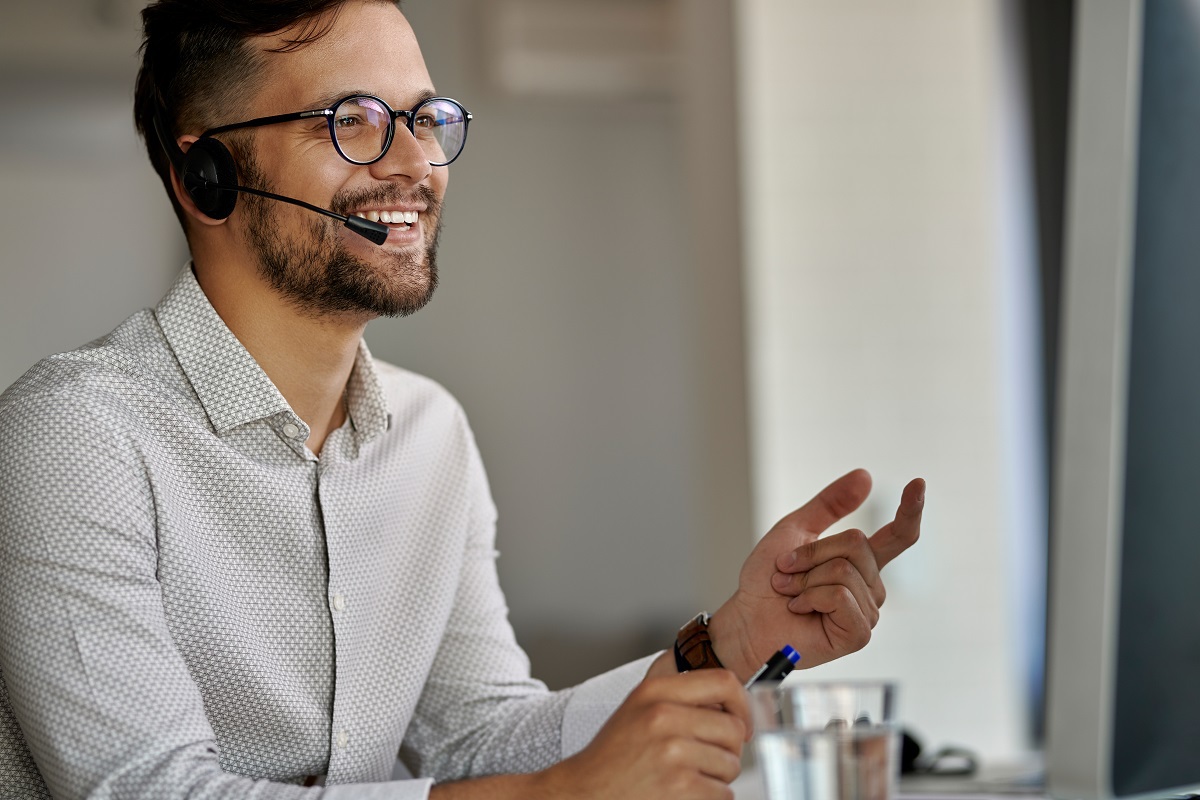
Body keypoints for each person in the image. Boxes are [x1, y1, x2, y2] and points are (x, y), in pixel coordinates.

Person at [0, 1, 925, 797]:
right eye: (354, 120)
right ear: (206, 176)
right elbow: (151, 792)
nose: (415, 163)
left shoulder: (430, 434)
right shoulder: (73, 437)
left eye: (425, 118)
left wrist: (729, 643)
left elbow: (480, 741)